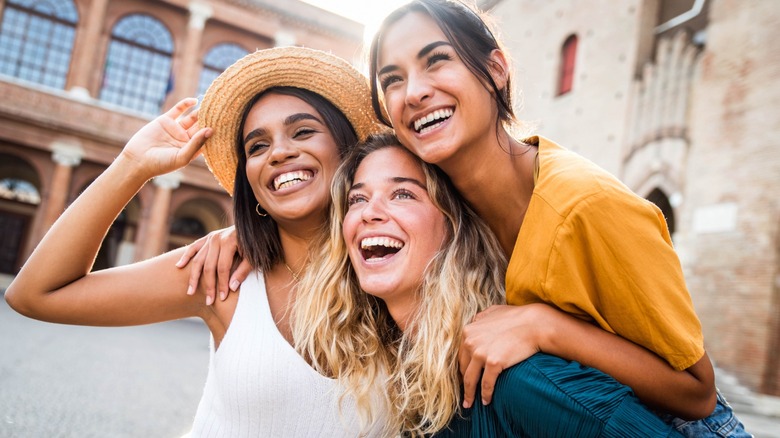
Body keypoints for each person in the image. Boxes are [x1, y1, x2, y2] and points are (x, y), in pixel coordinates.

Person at [367, 0, 749, 436]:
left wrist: (544, 326)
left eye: (437, 60)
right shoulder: (443, 208)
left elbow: (696, 393)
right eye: (392, 80)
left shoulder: (587, 206)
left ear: (495, 70)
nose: (413, 92)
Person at [4, 46, 390, 437]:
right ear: (249, 181)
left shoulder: (402, 278)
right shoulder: (222, 278)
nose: (279, 152)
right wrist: (132, 165)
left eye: (303, 131)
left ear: (349, 148)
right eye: (256, 146)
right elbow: (36, 293)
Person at [292, 131, 683, 437]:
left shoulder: (518, 380)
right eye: (357, 200)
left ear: (453, 226)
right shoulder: (399, 372)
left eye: (403, 194)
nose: (370, 213)